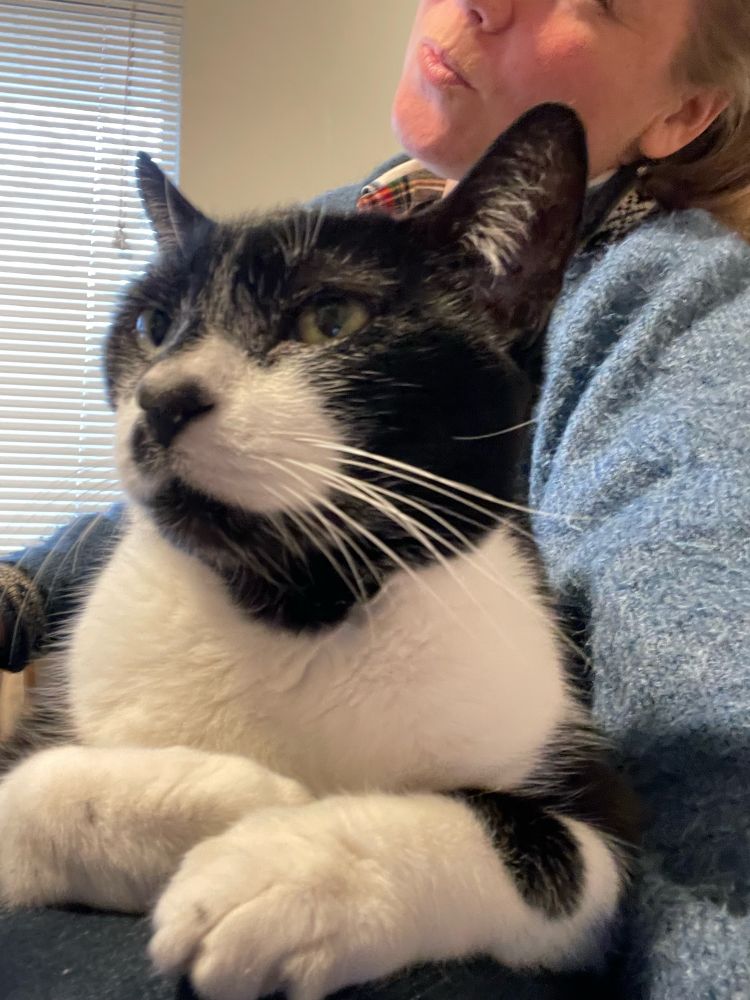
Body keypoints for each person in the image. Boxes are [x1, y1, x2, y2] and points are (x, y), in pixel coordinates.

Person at [1, 1, 749, 998]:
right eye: (164, 327)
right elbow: (138, 508)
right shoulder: (332, 221)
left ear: (684, 110)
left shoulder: (681, 319)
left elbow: (710, 736)